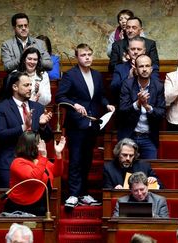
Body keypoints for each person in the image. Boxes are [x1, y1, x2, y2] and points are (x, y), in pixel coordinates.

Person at [55, 43, 115, 208]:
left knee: (87, 160)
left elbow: (100, 96)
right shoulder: (70, 75)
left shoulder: (96, 75)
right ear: (77, 57)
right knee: (75, 160)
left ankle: (83, 193)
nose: (87, 57)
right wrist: (74, 104)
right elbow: (60, 96)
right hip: (76, 124)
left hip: (92, 123)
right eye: (83, 55)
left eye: (89, 54)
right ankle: (73, 194)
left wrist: (107, 104)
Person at [0, 72, 53, 188]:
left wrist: (42, 126)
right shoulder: (3, 107)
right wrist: (24, 127)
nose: (30, 88)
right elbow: (0, 135)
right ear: (15, 87)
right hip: (10, 162)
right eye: (26, 85)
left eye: (31, 85)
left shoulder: (38, 107)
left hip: (34, 164)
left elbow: (48, 138)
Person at [4, 132, 66, 216]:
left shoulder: (39, 159)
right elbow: (33, 178)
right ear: (31, 145)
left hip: (39, 206)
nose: (42, 144)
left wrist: (58, 154)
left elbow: (57, 172)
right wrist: (44, 156)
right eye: (39, 142)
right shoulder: (18, 162)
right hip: (21, 208)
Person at [118, 54, 166, 159]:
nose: (144, 69)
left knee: (149, 171)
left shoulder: (158, 86)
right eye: (141, 66)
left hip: (149, 138)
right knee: (128, 172)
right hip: (130, 136)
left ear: (151, 68)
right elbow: (122, 110)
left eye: (147, 66)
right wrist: (138, 104)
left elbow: (161, 112)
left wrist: (147, 106)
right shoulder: (127, 84)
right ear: (135, 69)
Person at [111, 36, 159, 105]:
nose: (136, 52)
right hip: (126, 108)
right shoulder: (119, 68)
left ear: (144, 51)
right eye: (133, 49)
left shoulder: (153, 68)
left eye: (139, 49)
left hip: (148, 106)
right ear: (128, 51)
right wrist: (129, 78)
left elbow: (156, 87)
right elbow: (113, 90)